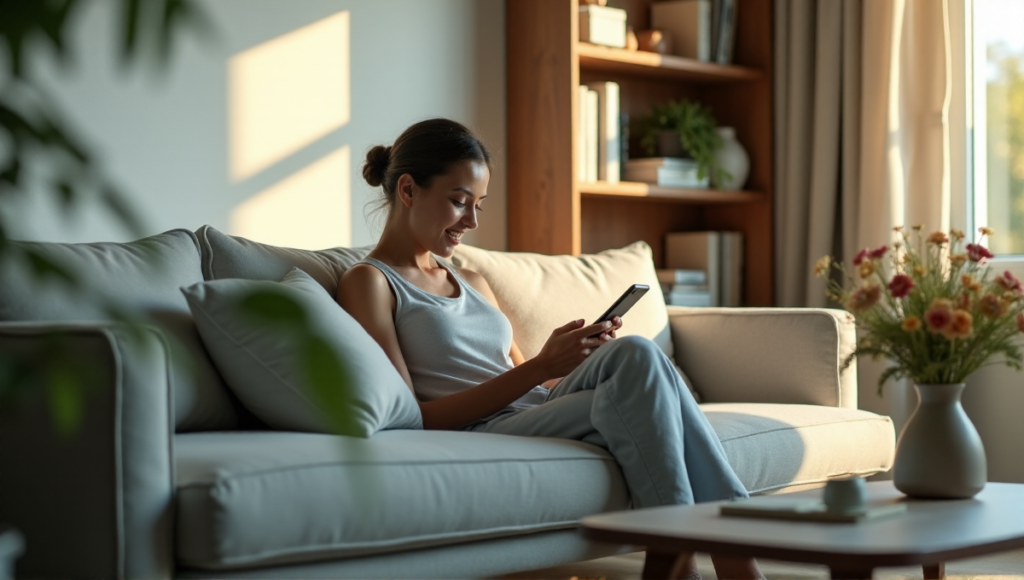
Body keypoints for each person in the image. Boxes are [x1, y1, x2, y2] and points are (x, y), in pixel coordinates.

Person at [337, 118, 763, 580]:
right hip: (482, 427)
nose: (472, 222)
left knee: (635, 354)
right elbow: (414, 417)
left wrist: (569, 357)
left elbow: (528, 381)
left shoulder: (472, 280)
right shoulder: (371, 283)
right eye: (459, 202)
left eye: (478, 205)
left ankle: (696, 566)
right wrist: (541, 366)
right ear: (407, 190)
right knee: (639, 372)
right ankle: (725, 565)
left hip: (535, 409)